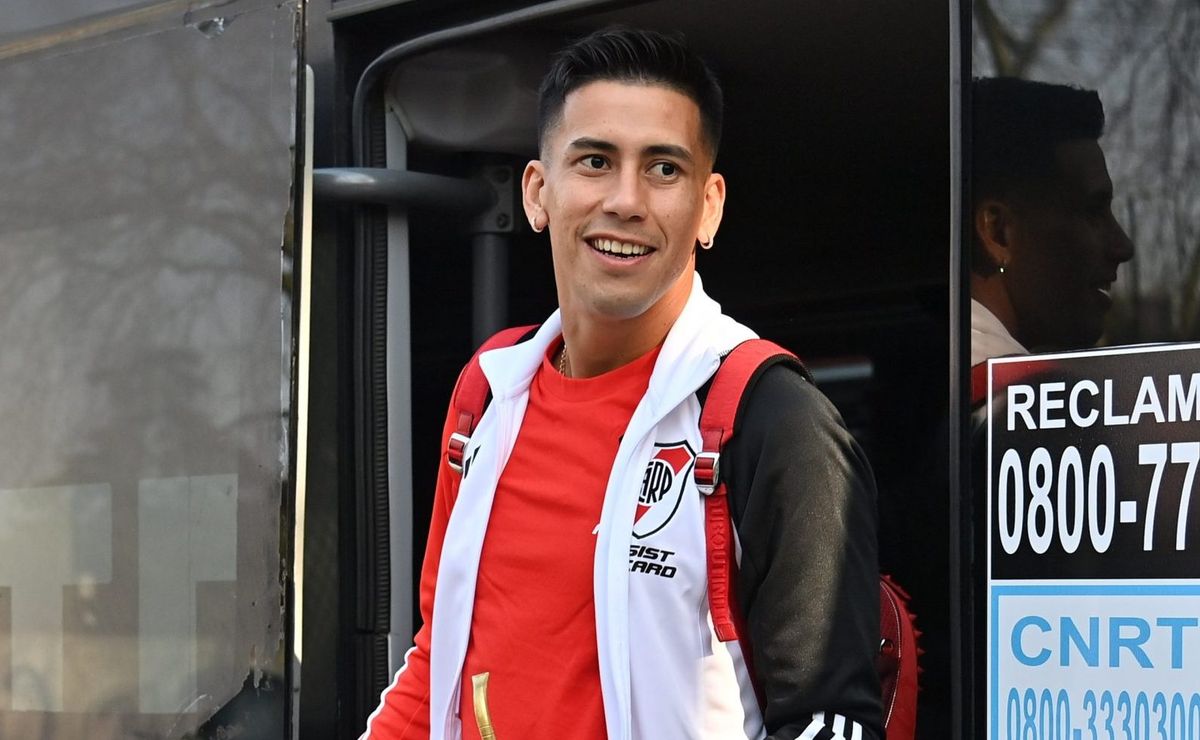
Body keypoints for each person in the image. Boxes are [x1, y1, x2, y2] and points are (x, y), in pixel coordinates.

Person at [360, 28, 881, 740]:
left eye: (664, 168)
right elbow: (437, 668)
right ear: (538, 193)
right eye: (596, 161)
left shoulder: (774, 418)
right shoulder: (488, 392)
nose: (626, 200)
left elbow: (830, 725)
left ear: (708, 207)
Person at [970, 77, 1135, 367]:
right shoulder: (1006, 390)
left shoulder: (932, 368)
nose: (1123, 247)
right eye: (1092, 212)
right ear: (998, 233)